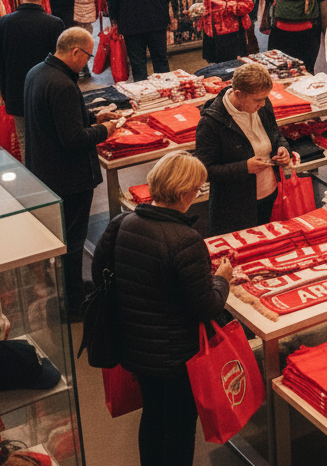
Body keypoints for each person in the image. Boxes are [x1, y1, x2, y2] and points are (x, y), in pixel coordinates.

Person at [92, 151, 232, 466]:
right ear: (185, 193)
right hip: (177, 356)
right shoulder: (186, 240)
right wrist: (222, 279)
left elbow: (98, 274)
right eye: (198, 188)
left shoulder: (122, 222)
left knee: (153, 414)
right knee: (181, 425)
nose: (198, 194)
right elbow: (206, 306)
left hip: (134, 344)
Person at [24, 28, 117, 310]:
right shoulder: (63, 84)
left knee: (63, 236)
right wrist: (104, 129)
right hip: (70, 177)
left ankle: (66, 289)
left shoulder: (38, 72)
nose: (87, 62)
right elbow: (73, 139)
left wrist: (91, 115)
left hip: (45, 170)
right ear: (75, 52)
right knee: (74, 239)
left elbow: (58, 118)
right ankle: (75, 301)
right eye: (87, 55)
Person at [195, 62, 295, 235]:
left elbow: (275, 134)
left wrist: (282, 149)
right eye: (257, 100)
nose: (263, 104)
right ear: (238, 94)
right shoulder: (211, 123)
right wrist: (245, 168)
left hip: (268, 193)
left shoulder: (263, 104)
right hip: (233, 208)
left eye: (265, 98)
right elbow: (204, 171)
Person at [0, 0, 63, 160]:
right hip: (46, 93)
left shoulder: (3, 23)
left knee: (25, 140)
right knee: (50, 139)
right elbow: (61, 65)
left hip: (17, 92)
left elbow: (1, 62)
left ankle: (33, 181)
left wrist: (6, 93)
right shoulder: (54, 24)